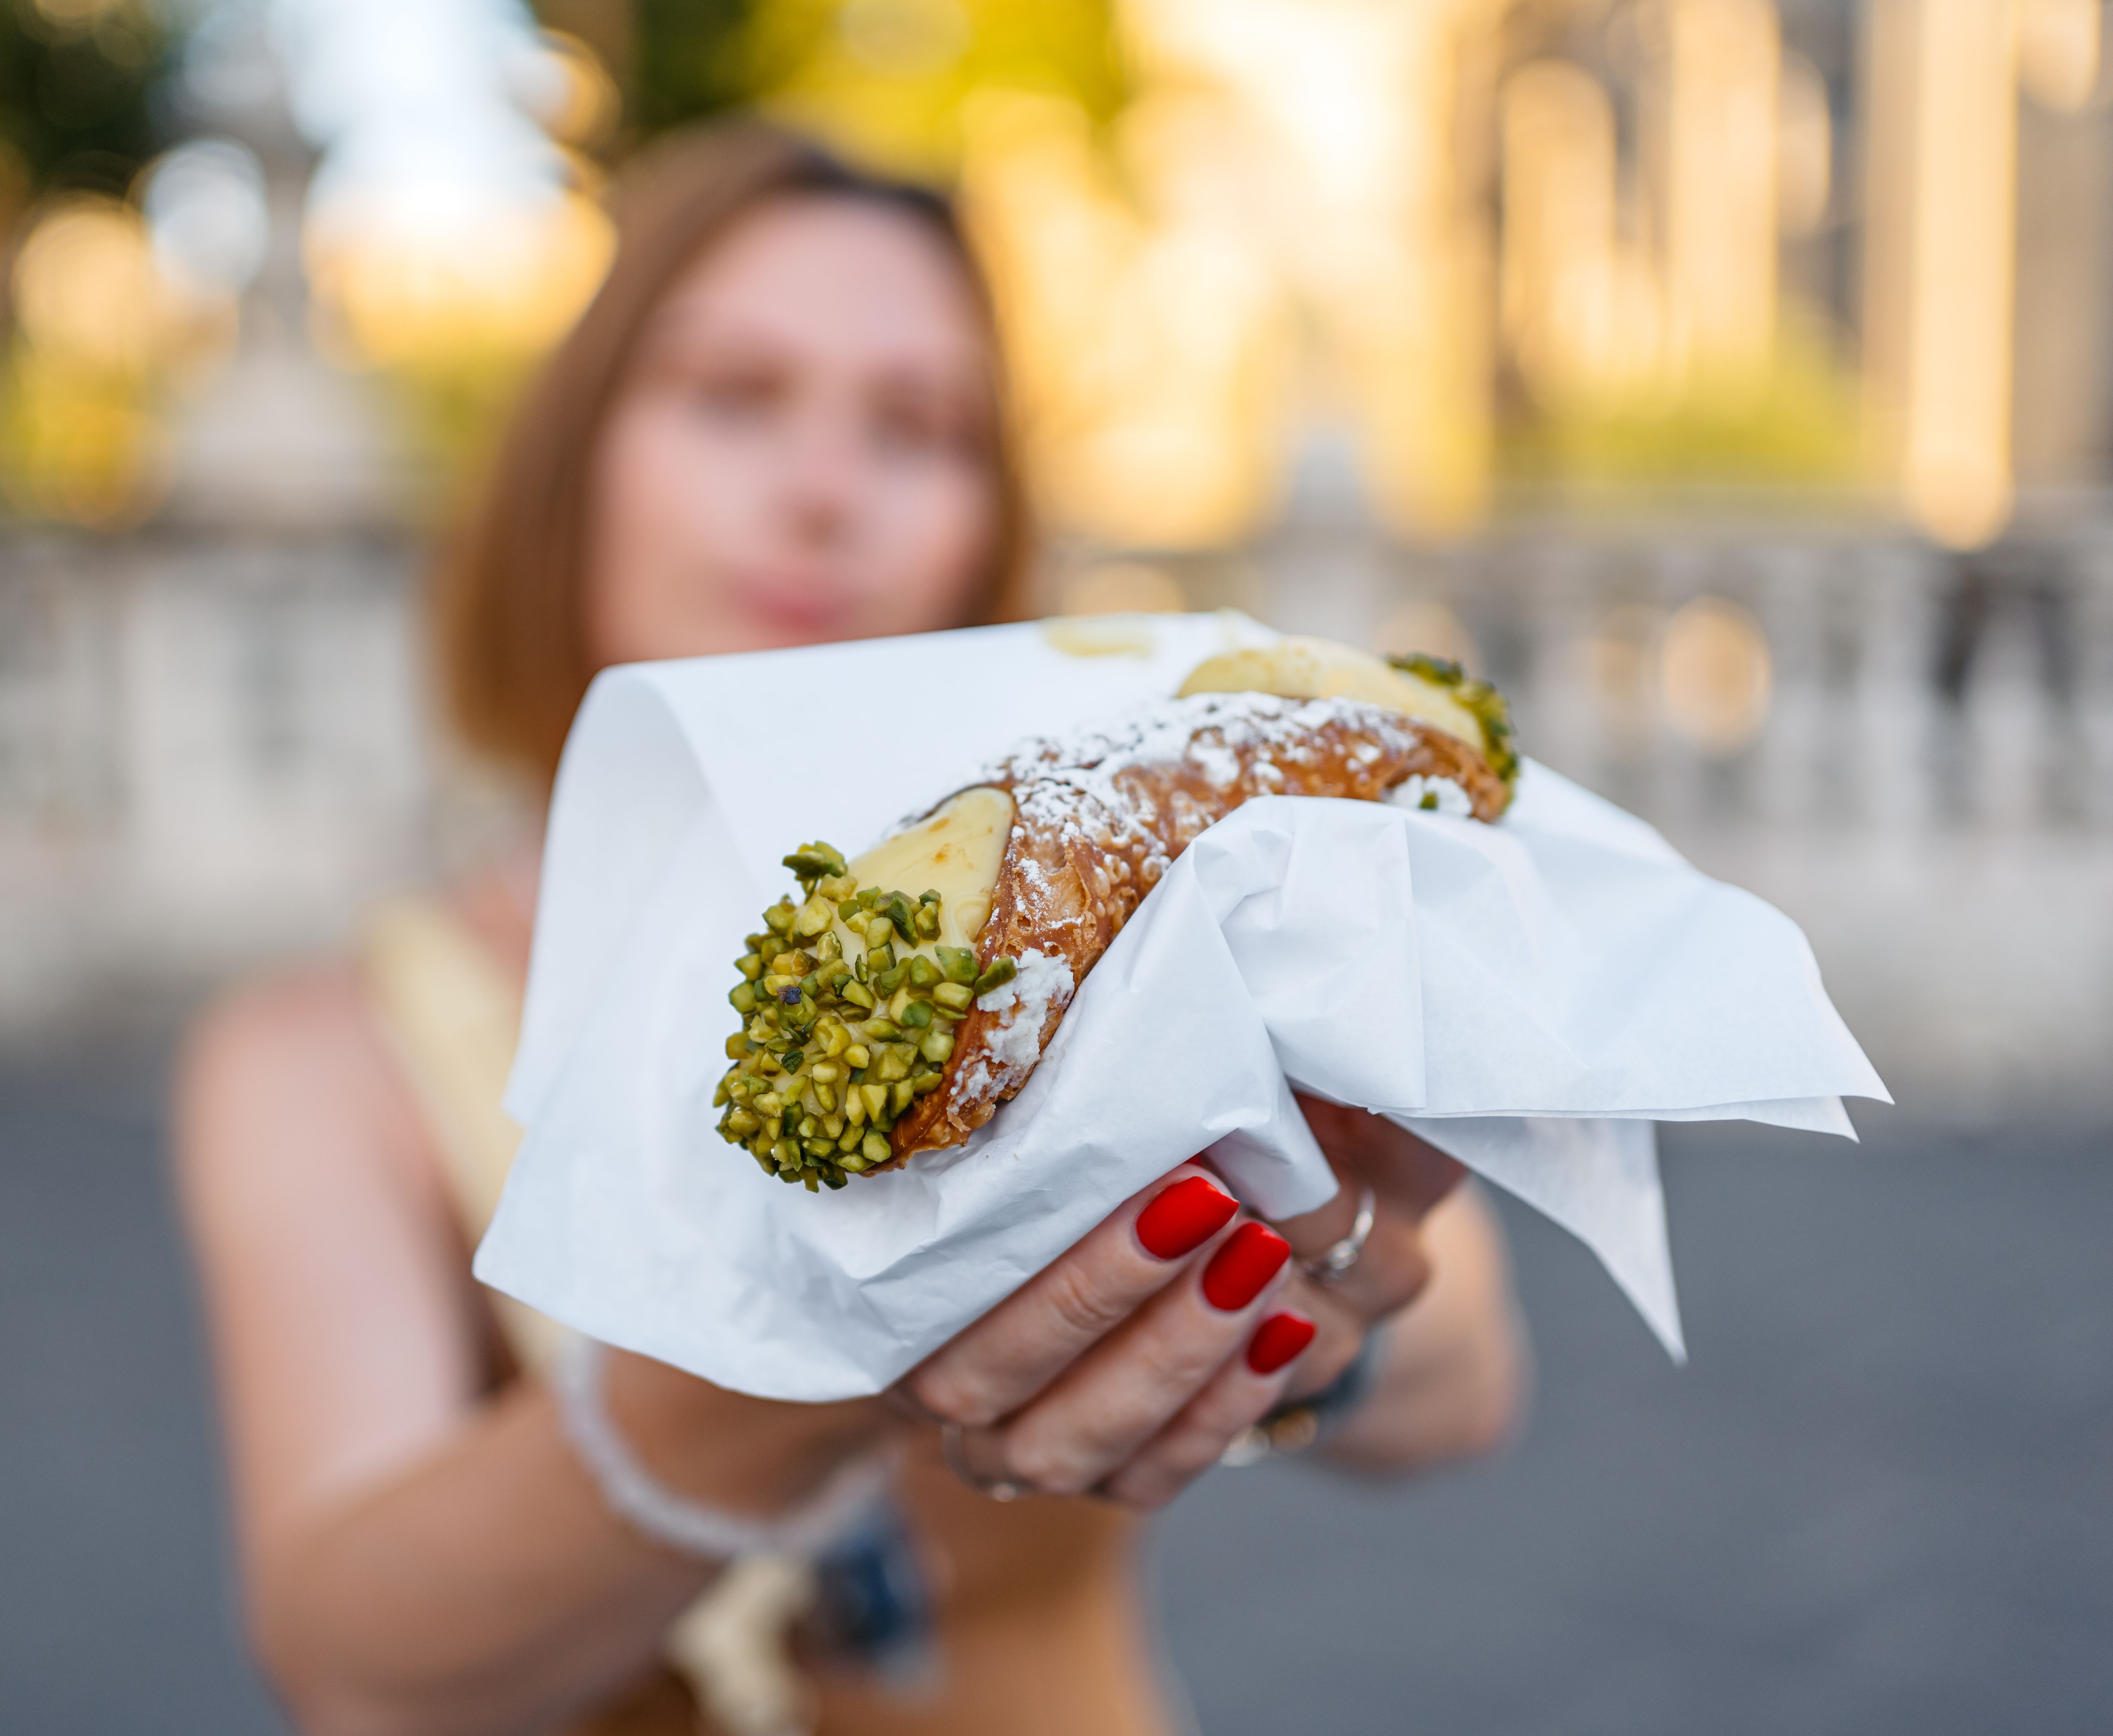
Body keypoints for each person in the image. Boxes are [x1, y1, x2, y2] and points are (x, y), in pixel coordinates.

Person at [175, 124, 1528, 1736]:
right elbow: (352, 1663)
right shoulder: (335, 1059)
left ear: (988, 518)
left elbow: (1469, 1389)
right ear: (576, 464)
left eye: (919, 426)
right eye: (734, 398)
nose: (825, 492)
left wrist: (1319, 1295)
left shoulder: (1147, 951)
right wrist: (789, 1362)